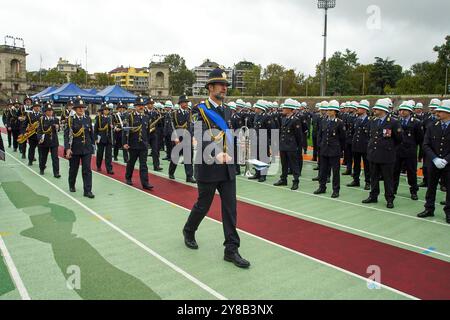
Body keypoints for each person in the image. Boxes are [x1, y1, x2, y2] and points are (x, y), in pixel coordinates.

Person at [183, 68, 250, 269]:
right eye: (221, 85)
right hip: (208, 166)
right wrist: (215, 153)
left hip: (227, 168)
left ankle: (231, 249)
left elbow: (229, 135)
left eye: (226, 85)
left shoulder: (229, 110)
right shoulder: (199, 110)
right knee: (203, 205)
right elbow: (199, 135)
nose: (224, 88)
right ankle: (189, 230)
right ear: (210, 88)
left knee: (230, 209)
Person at [363, 99, 403, 209]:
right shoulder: (373, 121)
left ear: (383, 110)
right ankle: (373, 196)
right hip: (374, 154)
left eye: (377, 108)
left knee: (388, 179)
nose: (374, 110)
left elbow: (399, 139)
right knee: (374, 177)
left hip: (387, 156)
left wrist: (389, 148)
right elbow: (371, 137)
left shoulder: (393, 122)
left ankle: (390, 199)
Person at [418, 100, 450, 223]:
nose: (438, 113)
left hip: (448, 164)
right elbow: (426, 144)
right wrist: (435, 158)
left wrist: (446, 160)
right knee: (431, 187)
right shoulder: (432, 126)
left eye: (441, 111)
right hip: (434, 162)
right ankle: (429, 208)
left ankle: (448, 212)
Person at [64, 98, 95, 199]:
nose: (81, 110)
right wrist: (67, 148)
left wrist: (93, 146)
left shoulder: (88, 119)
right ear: (75, 109)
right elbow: (67, 135)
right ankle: (71, 184)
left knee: (87, 170)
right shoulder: (71, 120)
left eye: (83, 108)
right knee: (73, 169)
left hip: (86, 148)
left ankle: (88, 190)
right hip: (75, 148)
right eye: (79, 108)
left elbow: (91, 134)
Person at [314, 100, 346, 198]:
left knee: (335, 172)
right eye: (328, 109)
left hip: (334, 150)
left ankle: (336, 190)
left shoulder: (339, 123)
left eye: (331, 110)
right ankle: (322, 186)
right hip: (324, 149)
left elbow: (342, 138)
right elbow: (320, 134)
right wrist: (320, 145)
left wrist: (340, 150)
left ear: (336, 111)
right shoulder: (324, 121)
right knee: (323, 170)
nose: (328, 111)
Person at [393, 101, 424, 200]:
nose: (402, 112)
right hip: (398, 151)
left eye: (405, 110)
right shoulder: (396, 122)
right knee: (395, 171)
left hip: (410, 151)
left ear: (410, 111)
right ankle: (393, 189)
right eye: (401, 110)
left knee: (411, 172)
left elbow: (420, 139)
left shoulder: (416, 123)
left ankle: (414, 191)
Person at [123, 97, 154, 190]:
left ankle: (145, 183)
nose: (141, 107)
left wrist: (147, 142)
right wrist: (124, 143)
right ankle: (128, 178)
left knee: (143, 164)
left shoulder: (146, 117)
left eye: (142, 105)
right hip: (133, 144)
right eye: (139, 105)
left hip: (143, 145)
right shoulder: (130, 117)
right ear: (135, 106)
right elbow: (125, 131)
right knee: (131, 162)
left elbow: (147, 131)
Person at [274, 99, 303, 191]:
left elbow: (299, 135)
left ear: (290, 109)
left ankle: (296, 181)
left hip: (291, 146)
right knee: (284, 164)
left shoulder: (295, 120)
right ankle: (283, 179)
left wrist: (297, 146)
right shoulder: (283, 118)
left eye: (285, 107)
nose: (283, 109)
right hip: (283, 145)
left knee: (294, 164)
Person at [169, 95, 196, 183]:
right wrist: (175, 137)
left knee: (188, 157)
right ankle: (171, 172)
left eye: (187, 102)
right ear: (180, 103)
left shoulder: (189, 113)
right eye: (184, 102)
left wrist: (192, 137)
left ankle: (189, 176)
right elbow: (172, 126)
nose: (186, 104)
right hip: (178, 138)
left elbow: (190, 126)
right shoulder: (174, 113)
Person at [347, 100, 371, 190]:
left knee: (366, 165)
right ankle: (356, 180)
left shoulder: (370, 120)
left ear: (365, 109)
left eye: (360, 108)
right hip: (356, 145)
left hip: (365, 146)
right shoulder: (356, 119)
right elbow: (353, 132)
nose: (358, 109)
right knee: (356, 164)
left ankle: (368, 181)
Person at [37, 102, 60, 178]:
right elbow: (39, 130)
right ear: (45, 111)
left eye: (51, 110)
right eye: (48, 110)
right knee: (43, 157)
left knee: (55, 158)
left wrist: (58, 127)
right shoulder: (41, 119)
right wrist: (40, 138)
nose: (50, 112)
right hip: (44, 141)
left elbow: (58, 130)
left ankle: (56, 172)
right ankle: (42, 168)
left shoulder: (56, 119)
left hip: (53, 141)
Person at [94, 103, 114, 174]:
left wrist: (112, 127)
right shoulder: (98, 118)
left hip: (109, 138)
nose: (106, 111)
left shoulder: (111, 118)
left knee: (108, 155)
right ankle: (98, 166)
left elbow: (112, 127)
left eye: (108, 110)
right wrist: (95, 138)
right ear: (102, 110)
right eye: (105, 109)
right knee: (100, 154)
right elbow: (95, 129)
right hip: (101, 138)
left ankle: (109, 169)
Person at [21, 100, 42, 166]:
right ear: (33, 107)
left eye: (38, 106)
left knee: (41, 150)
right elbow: (24, 124)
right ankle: (30, 160)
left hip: (40, 135)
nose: (37, 108)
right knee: (32, 148)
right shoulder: (29, 115)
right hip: (32, 135)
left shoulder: (42, 115)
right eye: (36, 106)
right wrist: (24, 132)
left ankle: (41, 163)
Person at [146, 98, 163, 172]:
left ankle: (156, 165)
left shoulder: (155, 113)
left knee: (155, 150)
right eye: (149, 104)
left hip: (153, 134)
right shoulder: (144, 112)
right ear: (147, 104)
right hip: (146, 133)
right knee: (144, 150)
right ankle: (143, 164)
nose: (151, 105)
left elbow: (159, 124)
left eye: (152, 104)